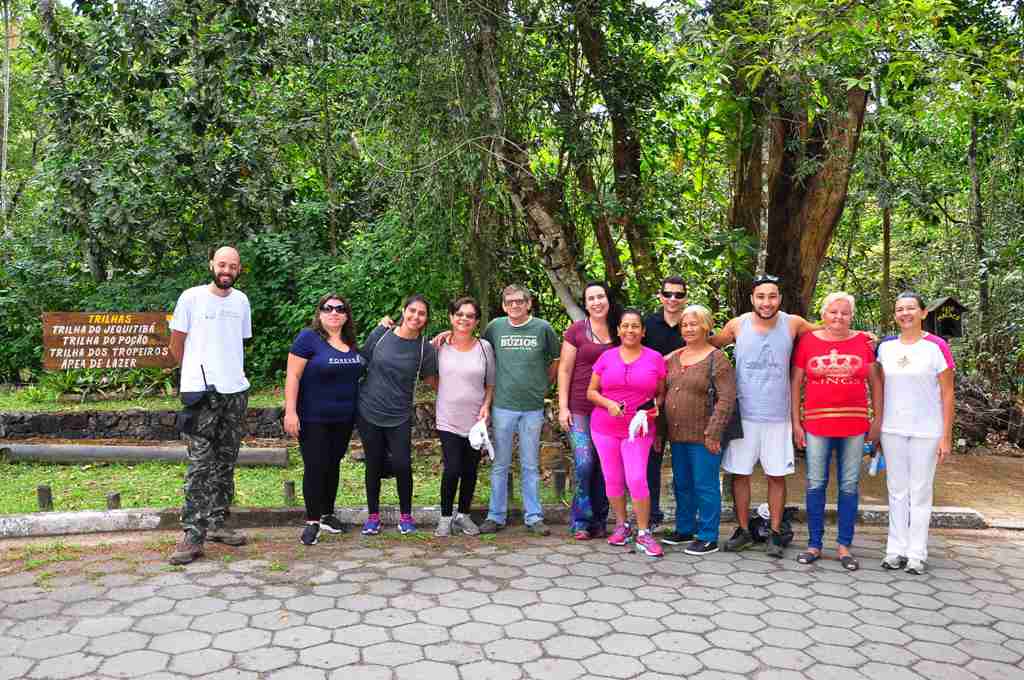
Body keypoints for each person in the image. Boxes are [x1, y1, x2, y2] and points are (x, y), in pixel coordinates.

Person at [710, 274, 820, 558]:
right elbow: (708, 345)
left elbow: (825, 333)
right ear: (752, 299)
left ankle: (774, 532)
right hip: (743, 413)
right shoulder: (738, 324)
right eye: (761, 296)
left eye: (772, 296)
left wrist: (858, 337)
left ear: (779, 299)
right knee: (740, 474)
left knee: (776, 475)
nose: (766, 302)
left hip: (778, 416)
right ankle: (744, 530)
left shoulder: (793, 323)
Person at [168, 246, 252, 565]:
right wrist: (188, 375)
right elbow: (176, 343)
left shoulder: (241, 301)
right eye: (221, 264)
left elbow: (237, 342)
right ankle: (192, 534)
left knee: (226, 461)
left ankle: (219, 523)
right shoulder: (190, 298)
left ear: (239, 269)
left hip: (235, 392)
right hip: (200, 393)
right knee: (200, 464)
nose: (226, 270)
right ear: (211, 266)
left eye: (232, 265)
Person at [791, 292, 881, 571]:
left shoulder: (863, 343)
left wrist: (877, 420)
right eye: (833, 312)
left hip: (854, 423)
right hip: (817, 423)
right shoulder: (807, 341)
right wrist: (796, 422)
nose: (838, 317)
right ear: (823, 314)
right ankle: (814, 544)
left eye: (844, 313)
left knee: (849, 484)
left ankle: (844, 545)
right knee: (816, 482)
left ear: (851, 316)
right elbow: (796, 383)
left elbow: (876, 382)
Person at [875, 292, 955, 575]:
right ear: (895, 315)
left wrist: (946, 436)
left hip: (927, 430)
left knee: (920, 491)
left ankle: (917, 554)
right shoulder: (885, 348)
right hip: (893, 429)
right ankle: (895, 550)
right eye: (899, 309)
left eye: (911, 308)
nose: (905, 313)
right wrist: (877, 429)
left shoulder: (937, 347)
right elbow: (881, 389)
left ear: (923, 313)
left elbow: (947, 393)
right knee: (897, 491)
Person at [477, 284, 560, 536]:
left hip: (532, 407)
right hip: (503, 405)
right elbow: (478, 349)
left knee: (530, 464)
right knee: (500, 463)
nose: (515, 305)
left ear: (528, 303)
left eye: (519, 301)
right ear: (504, 305)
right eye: (510, 302)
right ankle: (495, 516)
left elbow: (556, 359)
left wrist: (544, 386)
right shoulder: (495, 327)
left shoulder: (543, 329)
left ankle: (533, 517)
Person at [284, 293, 364, 546]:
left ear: (346, 315)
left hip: (343, 418)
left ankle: (328, 514)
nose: (334, 312)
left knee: (333, 464)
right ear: (319, 313)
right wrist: (290, 411)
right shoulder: (308, 338)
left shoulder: (351, 342)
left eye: (340, 309)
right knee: (316, 466)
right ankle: (312, 521)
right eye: (328, 308)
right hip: (313, 416)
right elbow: (293, 376)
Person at [587, 309, 667, 558]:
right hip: (604, 428)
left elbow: (661, 393)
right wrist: (608, 404)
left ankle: (644, 533)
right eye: (625, 326)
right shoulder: (607, 357)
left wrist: (655, 407)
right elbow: (591, 391)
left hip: (639, 429)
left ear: (643, 332)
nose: (630, 330)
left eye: (635, 326)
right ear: (619, 330)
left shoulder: (655, 359)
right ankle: (622, 525)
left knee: (636, 478)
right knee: (612, 478)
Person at [358, 295, 439, 535]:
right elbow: (360, 362)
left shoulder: (425, 348)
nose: (416, 316)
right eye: (412, 310)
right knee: (373, 464)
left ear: (426, 319)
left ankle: (406, 516)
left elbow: (433, 380)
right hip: (368, 410)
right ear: (403, 311)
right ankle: (373, 517)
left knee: (403, 464)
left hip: (400, 414)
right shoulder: (380, 334)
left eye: (421, 313)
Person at [664, 305, 736, 556]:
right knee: (682, 483)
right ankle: (685, 528)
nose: (689, 328)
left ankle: (708, 535)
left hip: (704, 436)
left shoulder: (716, 358)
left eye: (694, 324)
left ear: (706, 326)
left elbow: (727, 399)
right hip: (676, 435)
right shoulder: (673, 358)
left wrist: (713, 432)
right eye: (685, 324)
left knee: (705, 485)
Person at [558, 282, 618, 540]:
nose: (596, 302)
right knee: (584, 463)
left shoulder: (620, 328)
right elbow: (564, 369)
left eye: (600, 296)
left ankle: (600, 520)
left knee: (606, 465)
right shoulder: (577, 331)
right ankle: (581, 520)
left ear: (608, 299)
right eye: (591, 298)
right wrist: (562, 407)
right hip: (580, 407)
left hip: (610, 409)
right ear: (585, 303)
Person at [434, 297, 495, 537]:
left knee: (470, 469)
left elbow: (490, 383)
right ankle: (445, 517)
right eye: (459, 314)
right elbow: (430, 375)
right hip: (447, 417)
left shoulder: (484, 347)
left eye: (470, 315)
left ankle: (464, 516)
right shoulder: (438, 345)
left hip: (475, 421)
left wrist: (487, 406)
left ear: (476, 321)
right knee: (452, 468)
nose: (464, 319)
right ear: (451, 317)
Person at [643, 276, 688, 536]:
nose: (673, 299)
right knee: (651, 463)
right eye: (668, 294)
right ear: (660, 296)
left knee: (685, 464)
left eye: (678, 295)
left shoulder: (692, 323)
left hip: (686, 405)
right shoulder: (648, 324)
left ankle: (686, 523)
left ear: (685, 298)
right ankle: (650, 517)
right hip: (653, 403)